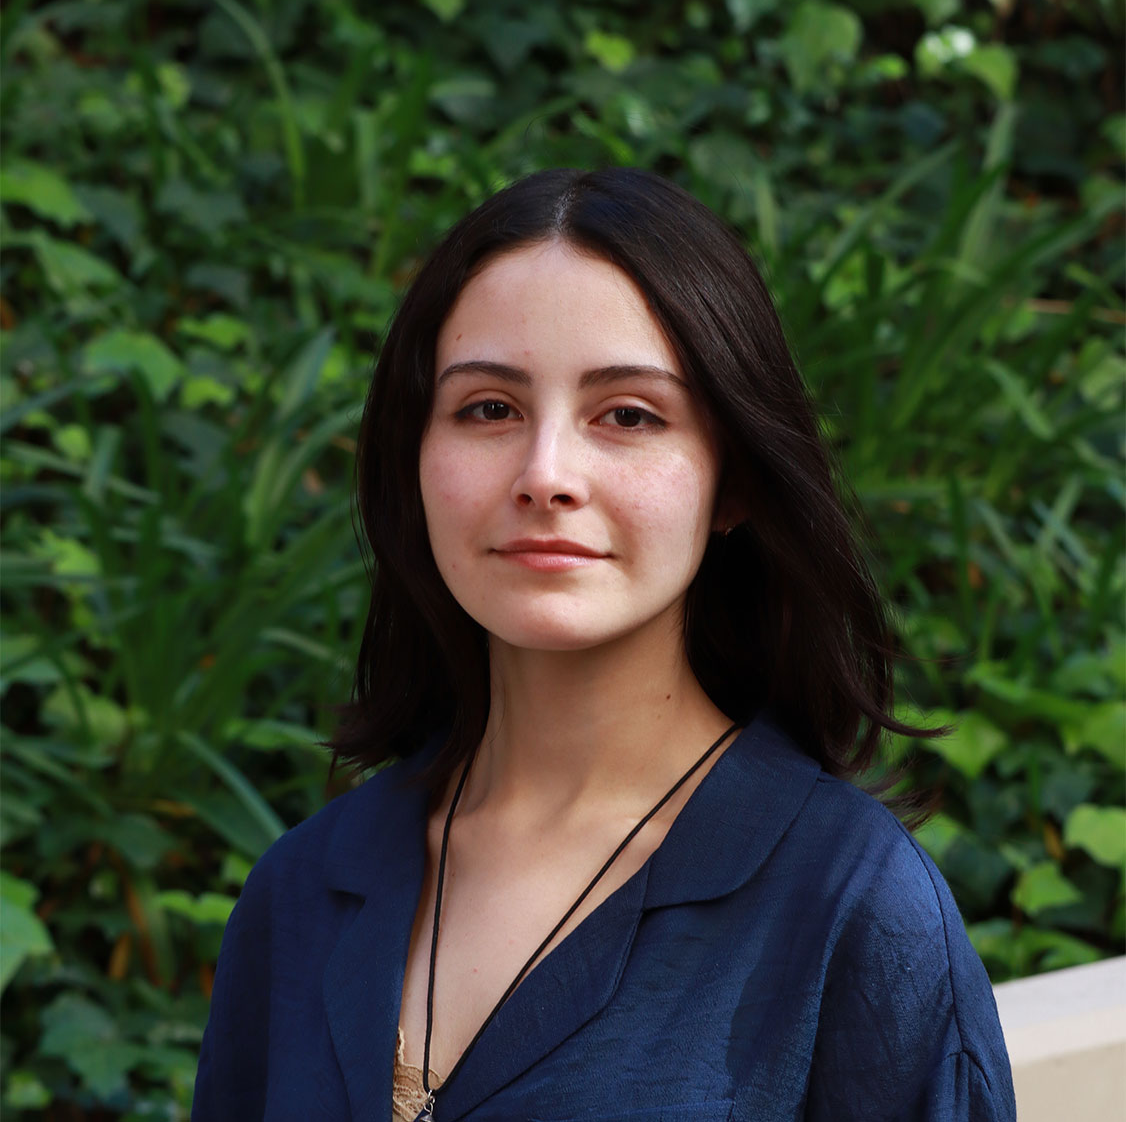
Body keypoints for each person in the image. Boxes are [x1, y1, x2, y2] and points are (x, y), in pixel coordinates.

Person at [192, 168, 1015, 1121]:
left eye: (627, 414)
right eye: (488, 409)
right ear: (413, 461)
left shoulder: (852, 908)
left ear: (734, 480)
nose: (546, 475)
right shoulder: (299, 895)